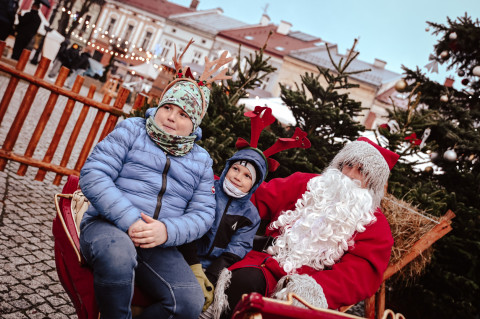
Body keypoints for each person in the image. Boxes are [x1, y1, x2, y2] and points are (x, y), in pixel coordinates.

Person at [209, 137, 400, 319]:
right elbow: (258, 197)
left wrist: (309, 290)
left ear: (373, 181)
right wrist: (215, 188)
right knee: (232, 275)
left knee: (245, 284)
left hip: (300, 286)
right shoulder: (309, 184)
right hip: (263, 261)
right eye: (348, 165)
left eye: (361, 171)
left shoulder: (375, 226)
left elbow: (357, 277)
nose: (349, 175)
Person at [78, 75, 217, 318]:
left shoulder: (201, 160)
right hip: (108, 226)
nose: (171, 117)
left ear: (194, 123)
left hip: (157, 243)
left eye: (183, 114)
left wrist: (167, 231)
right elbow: (94, 174)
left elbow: (204, 213)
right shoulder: (132, 130)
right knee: (118, 256)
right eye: (167, 107)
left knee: (189, 301)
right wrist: (131, 220)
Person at [179, 148, 267, 311]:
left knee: (204, 303)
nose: (238, 177)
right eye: (235, 169)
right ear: (228, 168)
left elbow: (238, 248)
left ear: (254, 184)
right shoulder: (206, 189)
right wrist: (193, 264)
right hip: (184, 256)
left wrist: (211, 277)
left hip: (213, 267)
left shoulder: (250, 215)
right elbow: (188, 224)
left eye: (247, 176)